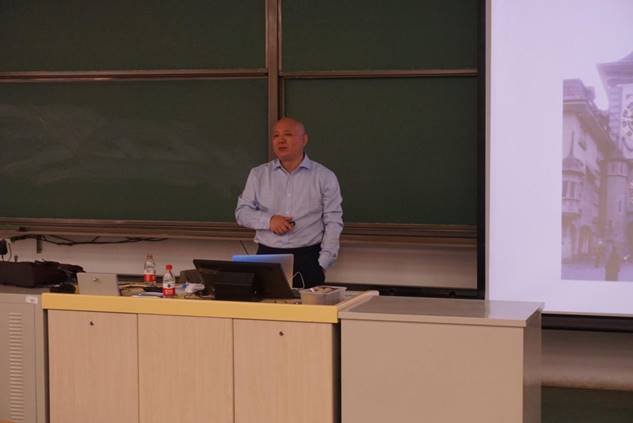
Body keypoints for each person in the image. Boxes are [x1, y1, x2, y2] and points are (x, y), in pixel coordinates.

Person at [235, 117, 343, 288]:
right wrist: (269, 221)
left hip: (308, 258)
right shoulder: (258, 174)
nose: (281, 140)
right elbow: (242, 213)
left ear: (304, 140)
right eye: (276, 136)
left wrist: (323, 263)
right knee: (265, 305)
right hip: (266, 256)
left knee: (306, 307)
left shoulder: (324, 176)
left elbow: (333, 222)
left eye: (287, 134)